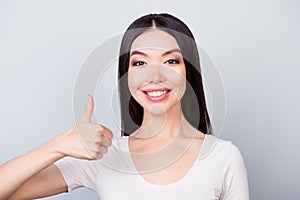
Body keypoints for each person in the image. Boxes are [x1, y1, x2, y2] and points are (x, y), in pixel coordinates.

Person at [0, 13, 249, 200]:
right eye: (139, 63)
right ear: (126, 75)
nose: (155, 76)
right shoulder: (104, 157)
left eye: (171, 60)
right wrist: (58, 145)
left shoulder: (223, 157)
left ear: (189, 71)